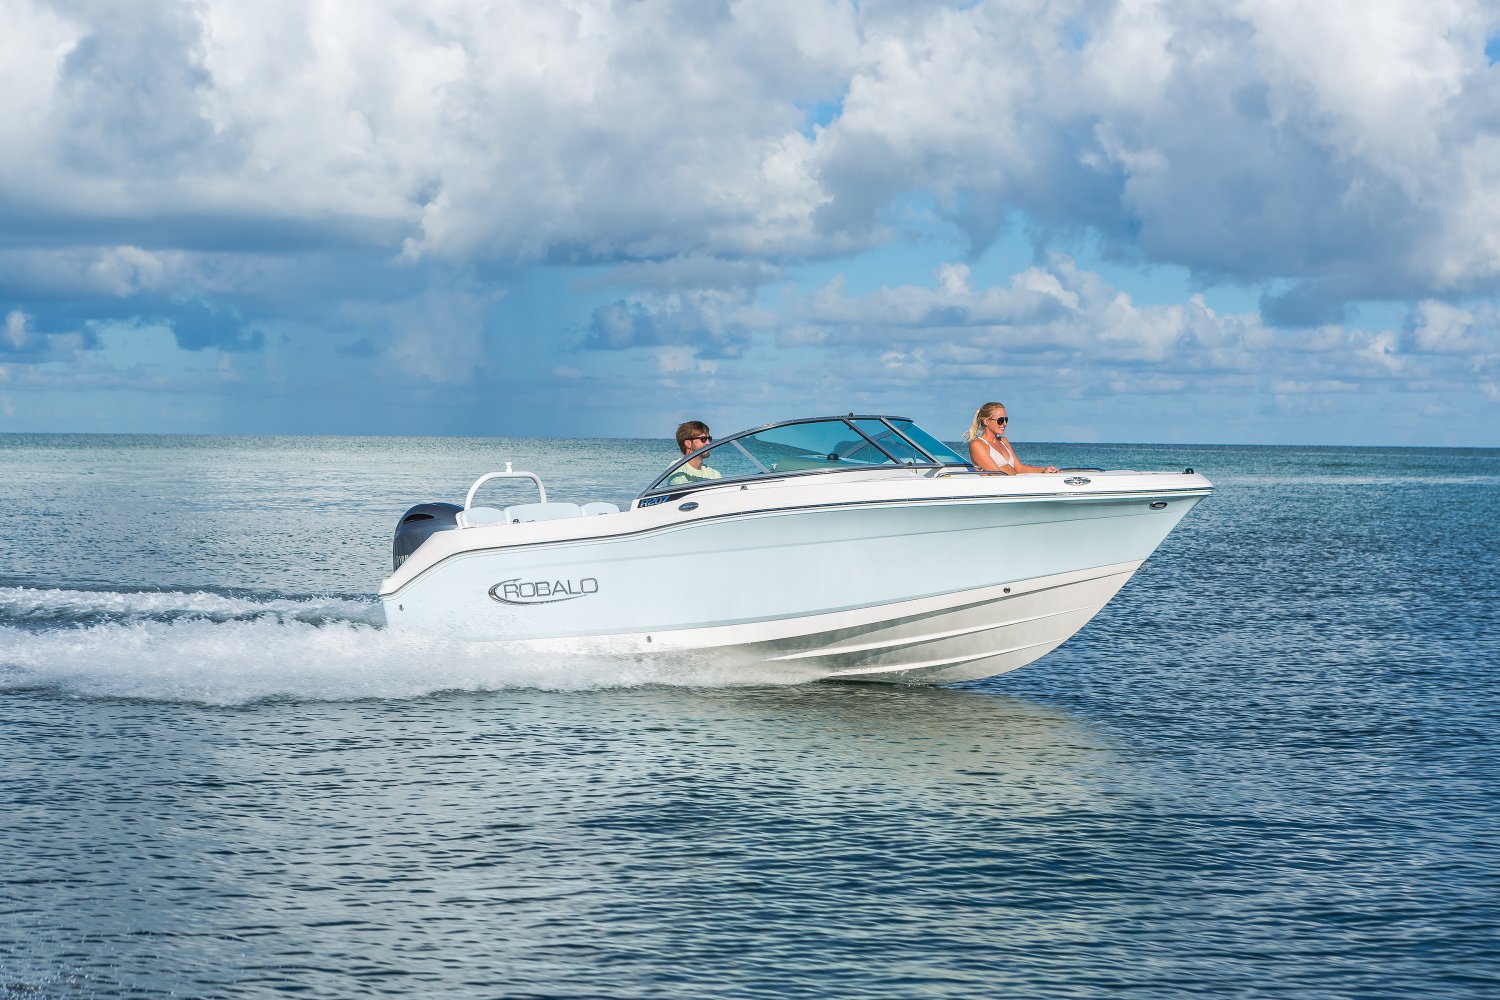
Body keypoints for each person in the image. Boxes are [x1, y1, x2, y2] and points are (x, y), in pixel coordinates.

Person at [965, 402, 1058, 474]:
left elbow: (1019, 468)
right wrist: (1008, 469)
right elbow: (996, 474)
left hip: (1012, 486)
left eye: (1006, 419)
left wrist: (1043, 470)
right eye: (1000, 420)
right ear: (986, 422)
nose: (1004, 423)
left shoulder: (1003, 441)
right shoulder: (977, 445)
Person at [667, 420, 721, 485]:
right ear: (688, 443)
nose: (708, 443)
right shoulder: (676, 468)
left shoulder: (714, 474)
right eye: (703, 439)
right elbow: (683, 488)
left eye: (709, 439)